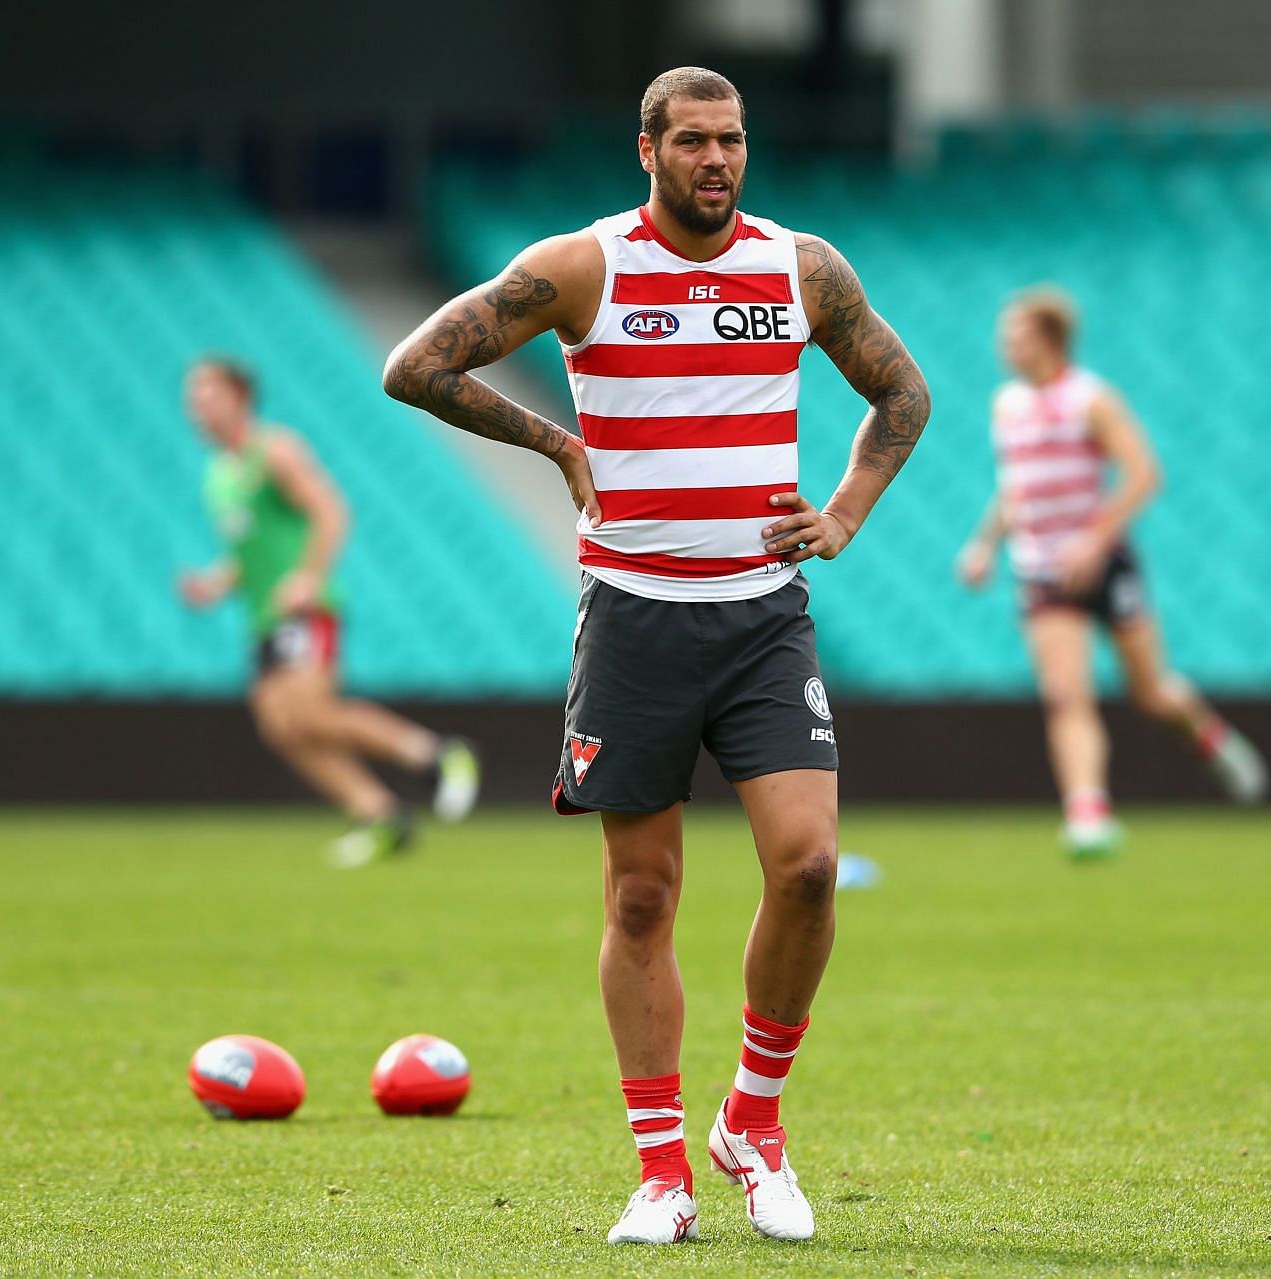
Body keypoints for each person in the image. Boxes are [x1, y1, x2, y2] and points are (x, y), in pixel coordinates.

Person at [383, 68, 929, 1245]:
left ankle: (754, 1124)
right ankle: (663, 1171)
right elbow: (415, 364)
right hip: (632, 620)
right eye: (693, 142)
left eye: (731, 141)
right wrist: (554, 443)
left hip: (763, 617)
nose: (717, 161)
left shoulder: (802, 267)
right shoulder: (584, 267)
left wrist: (842, 514)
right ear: (647, 150)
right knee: (642, 896)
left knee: (810, 868)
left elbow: (901, 392)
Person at [957, 289, 1266, 857]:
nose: (1004, 345)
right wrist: (984, 545)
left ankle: (1213, 739)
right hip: (1043, 571)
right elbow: (1016, 487)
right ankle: (1088, 814)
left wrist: (1092, 540)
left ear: (1049, 340)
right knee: (1065, 695)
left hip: (1105, 563)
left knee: (1152, 694)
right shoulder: (1006, 405)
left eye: (1016, 334)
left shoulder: (1091, 399)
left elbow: (1145, 474)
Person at [178, 356, 480, 866]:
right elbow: (252, 548)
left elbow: (331, 511)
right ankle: (380, 813)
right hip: (263, 616)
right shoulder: (218, 474)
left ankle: (434, 753)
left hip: (305, 608)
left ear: (240, 399)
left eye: (209, 398)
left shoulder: (274, 451)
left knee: (311, 712)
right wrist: (217, 581)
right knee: (282, 727)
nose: (198, 411)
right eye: (193, 401)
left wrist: (309, 578)